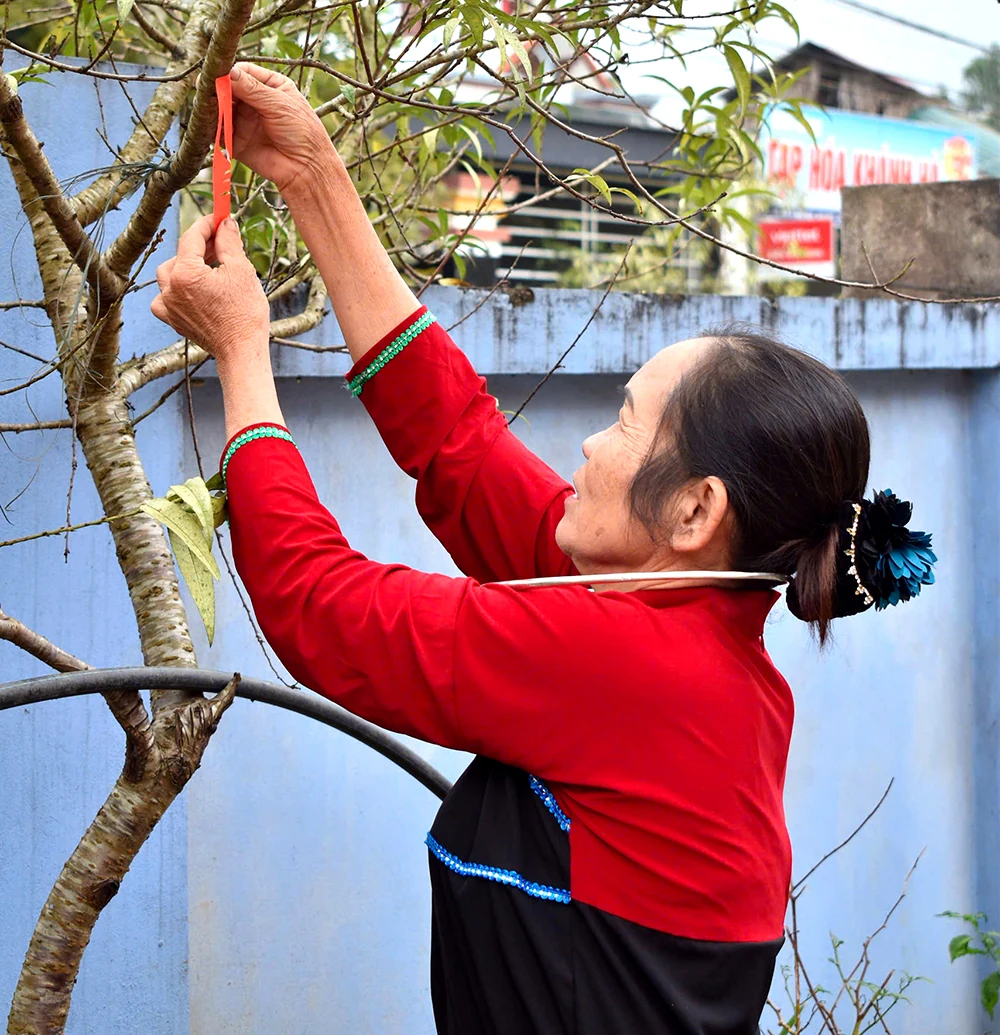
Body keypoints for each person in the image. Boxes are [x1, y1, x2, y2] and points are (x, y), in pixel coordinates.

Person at [151, 62, 936, 1035]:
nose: (589, 448)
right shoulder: (678, 621)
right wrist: (311, 176)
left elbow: (325, 609)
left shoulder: (633, 667)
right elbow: (460, 448)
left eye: (623, 424)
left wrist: (240, 359)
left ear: (694, 511)